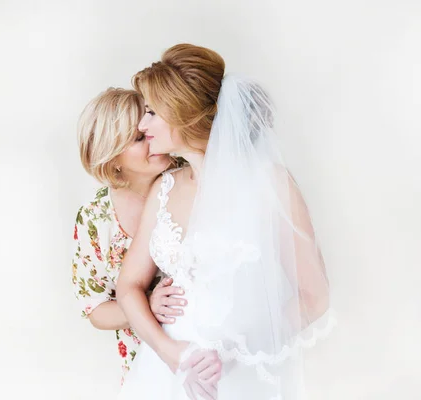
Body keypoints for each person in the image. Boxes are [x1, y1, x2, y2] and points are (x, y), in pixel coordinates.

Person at [116, 44, 335, 399]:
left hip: (241, 375)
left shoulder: (270, 185)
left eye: (153, 112)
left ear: (182, 113)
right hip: (165, 371)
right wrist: (171, 354)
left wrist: (236, 352)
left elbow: (314, 296)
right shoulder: (164, 189)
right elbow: (127, 287)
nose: (143, 125)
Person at [72, 87, 187, 385]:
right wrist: (144, 305)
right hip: (146, 366)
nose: (152, 135)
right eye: (138, 138)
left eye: (151, 121)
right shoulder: (96, 220)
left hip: (205, 349)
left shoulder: (190, 178)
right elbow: (94, 308)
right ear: (113, 160)